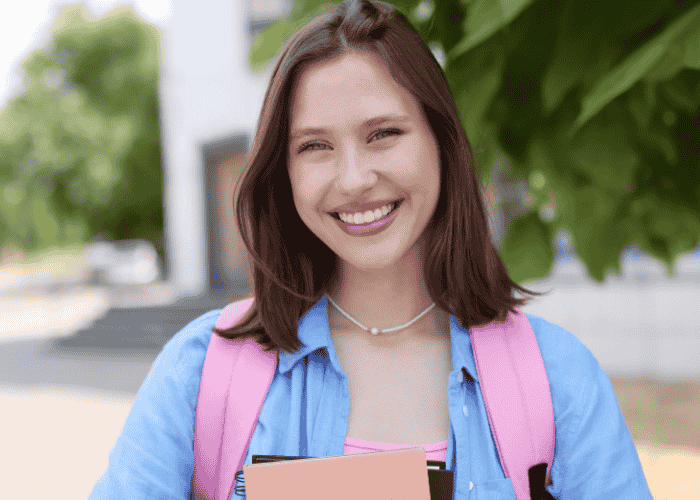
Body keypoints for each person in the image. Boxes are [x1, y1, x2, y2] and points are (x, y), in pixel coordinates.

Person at [88, 0, 653, 498]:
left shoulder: (557, 380)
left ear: (441, 142)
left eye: (383, 133)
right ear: (282, 174)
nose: (354, 178)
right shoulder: (200, 375)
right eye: (315, 146)